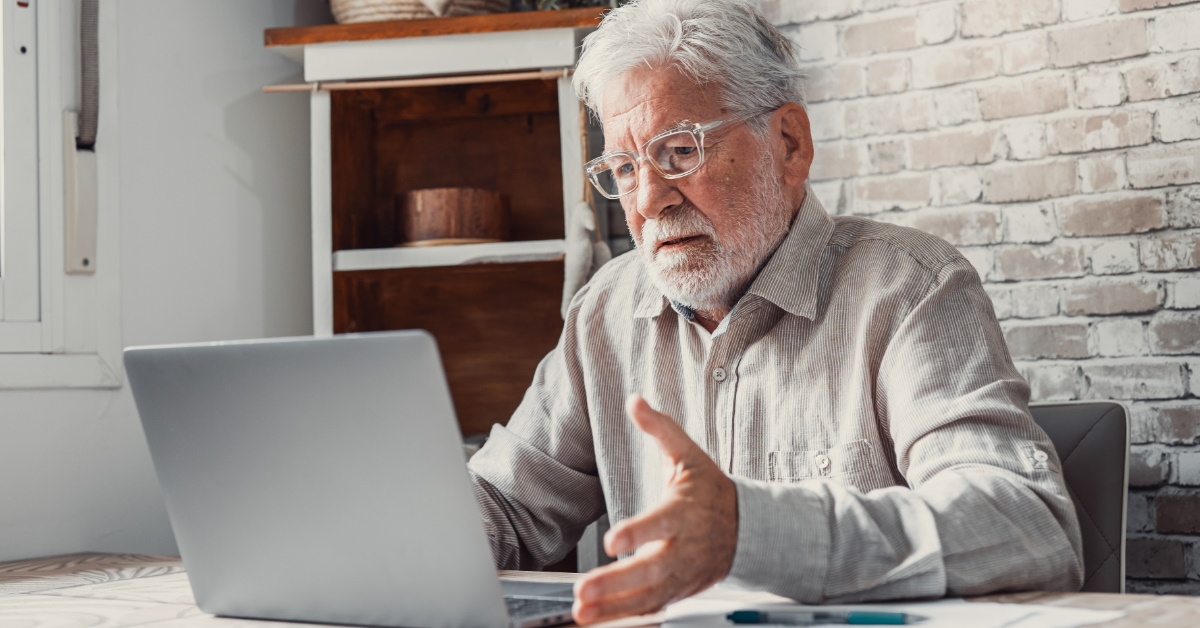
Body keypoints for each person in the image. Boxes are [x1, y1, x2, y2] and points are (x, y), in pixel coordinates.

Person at [467, 0, 1084, 624]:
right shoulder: (605, 309)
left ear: (789, 143)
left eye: (679, 152)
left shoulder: (911, 288)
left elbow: (1028, 522)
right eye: (625, 168)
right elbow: (506, 503)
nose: (649, 199)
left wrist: (754, 531)